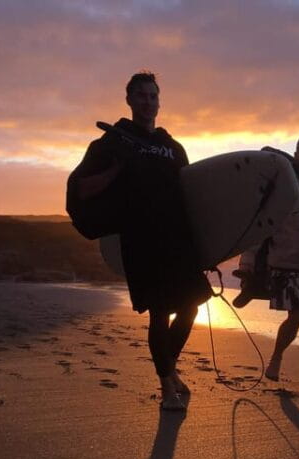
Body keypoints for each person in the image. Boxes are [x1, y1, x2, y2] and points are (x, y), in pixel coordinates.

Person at [67, 71, 209, 410]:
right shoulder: (111, 143)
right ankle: (166, 388)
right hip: (142, 240)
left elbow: (191, 196)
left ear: (159, 101)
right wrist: (116, 169)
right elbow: (80, 189)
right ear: (129, 100)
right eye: (141, 96)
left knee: (193, 304)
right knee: (160, 313)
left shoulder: (173, 148)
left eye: (153, 96)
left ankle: (168, 367)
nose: (148, 102)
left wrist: (210, 243)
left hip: (178, 239)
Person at [242, 136, 299, 385]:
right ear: (295, 155)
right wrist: (248, 262)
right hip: (287, 261)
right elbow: (263, 223)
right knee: (298, 315)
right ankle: (275, 358)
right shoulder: (285, 185)